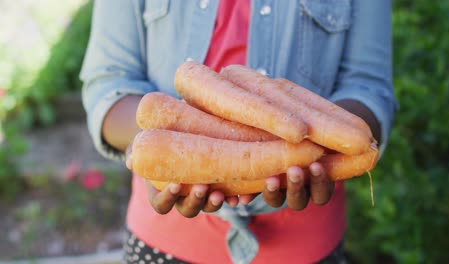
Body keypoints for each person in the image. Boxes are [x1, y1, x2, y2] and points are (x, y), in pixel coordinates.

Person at [80, 1, 397, 263]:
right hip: (164, 242)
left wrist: (318, 153)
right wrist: (180, 157)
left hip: (305, 245)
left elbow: (368, 86)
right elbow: (109, 86)